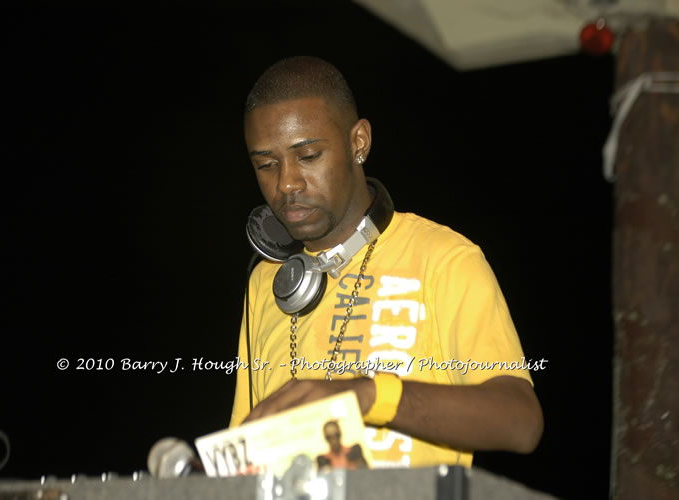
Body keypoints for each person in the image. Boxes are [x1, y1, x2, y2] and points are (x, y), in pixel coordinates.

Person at [230, 56, 543, 468]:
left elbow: (520, 422)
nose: (286, 182)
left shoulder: (443, 258)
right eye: (266, 165)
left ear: (358, 143)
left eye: (308, 155)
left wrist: (369, 395)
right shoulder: (267, 282)